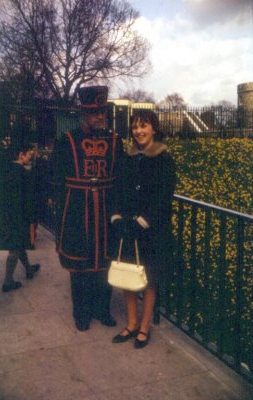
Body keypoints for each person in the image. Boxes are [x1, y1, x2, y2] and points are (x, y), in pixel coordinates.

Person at [50, 86, 124, 331]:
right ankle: (81, 313)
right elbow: (56, 177)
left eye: (102, 112)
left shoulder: (115, 141)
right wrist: (62, 211)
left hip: (105, 208)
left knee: (105, 263)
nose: (100, 117)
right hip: (77, 210)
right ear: (84, 113)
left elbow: (121, 175)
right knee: (80, 266)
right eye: (95, 113)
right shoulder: (68, 140)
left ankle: (102, 310)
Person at [111, 109, 176, 349]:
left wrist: (143, 221)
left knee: (148, 279)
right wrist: (116, 217)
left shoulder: (163, 158)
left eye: (144, 126)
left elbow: (163, 196)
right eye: (135, 127)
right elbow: (118, 188)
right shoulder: (128, 157)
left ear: (154, 129)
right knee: (128, 275)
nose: (138, 131)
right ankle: (131, 323)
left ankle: (144, 327)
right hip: (128, 226)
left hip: (151, 230)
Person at [0, 141, 41, 292]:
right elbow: (28, 199)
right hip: (17, 216)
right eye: (29, 154)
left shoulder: (5, 170)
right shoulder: (23, 173)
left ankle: (28, 269)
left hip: (4, 214)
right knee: (14, 248)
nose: (31, 157)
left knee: (18, 243)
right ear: (21, 155)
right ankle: (8, 281)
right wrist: (32, 218)